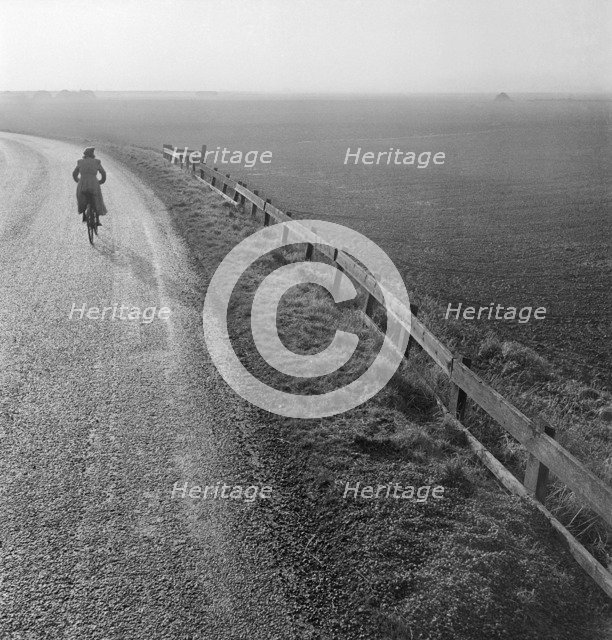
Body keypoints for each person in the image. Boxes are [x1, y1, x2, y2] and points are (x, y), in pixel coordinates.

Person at [72, 147, 107, 225]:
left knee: (81, 197)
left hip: (82, 183)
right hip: (94, 184)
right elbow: (103, 173)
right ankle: (97, 220)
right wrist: (101, 181)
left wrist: (78, 180)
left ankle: (84, 214)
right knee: (97, 199)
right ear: (92, 154)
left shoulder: (80, 162)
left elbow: (74, 173)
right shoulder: (97, 162)